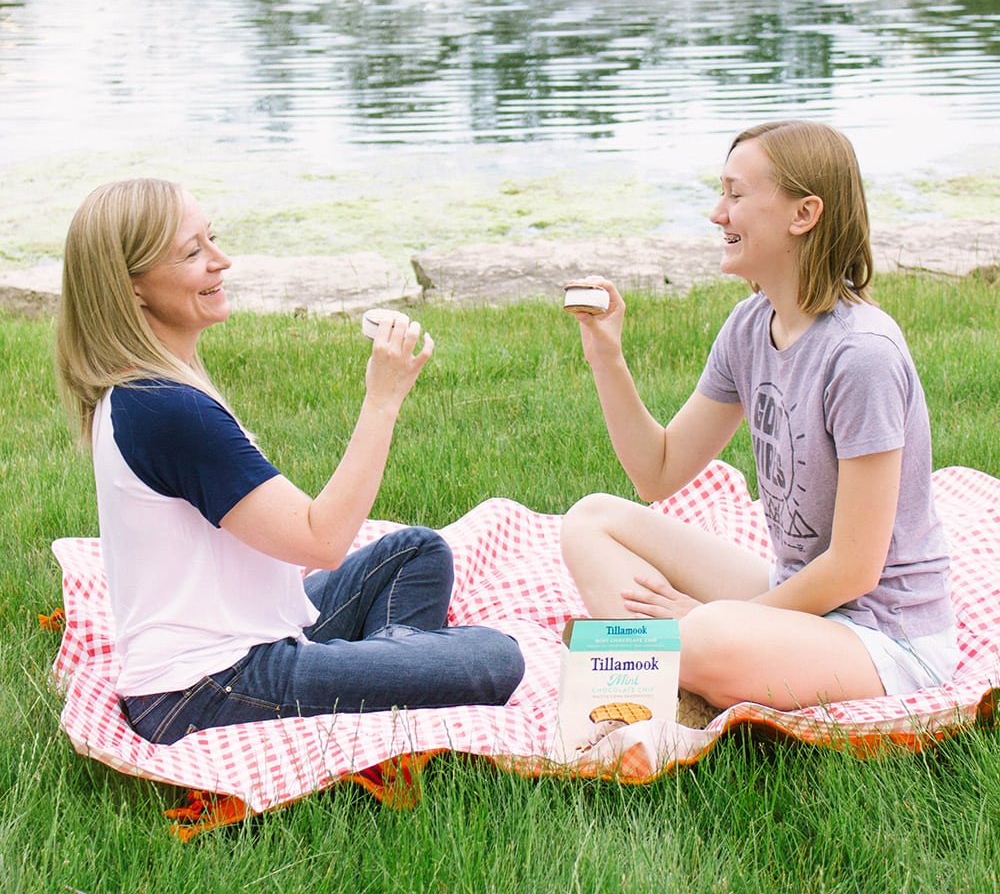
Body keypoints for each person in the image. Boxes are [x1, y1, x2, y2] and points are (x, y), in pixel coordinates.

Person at [55, 178, 524, 745]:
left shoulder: (151, 389)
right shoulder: (167, 408)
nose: (221, 261)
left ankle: (380, 673)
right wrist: (382, 400)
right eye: (192, 252)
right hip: (205, 686)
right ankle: (386, 675)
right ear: (132, 289)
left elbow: (240, 536)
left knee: (417, 551)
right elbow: (321, 539)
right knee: (495, 658)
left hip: (251, 634)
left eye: (213, 239)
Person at [560, 121, 957, 713]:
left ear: (804, 214)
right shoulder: (749, 328)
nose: (718, 213)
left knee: (708, 635)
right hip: (790, 600)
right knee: (590, 522)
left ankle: (650, 667)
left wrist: (720, 616)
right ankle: (665, 667)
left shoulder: (862, 353)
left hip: (883, 636)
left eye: (736, 194)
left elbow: (854, 568)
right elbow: (658, 472)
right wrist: (606, 355)